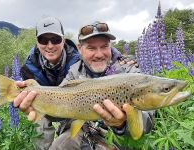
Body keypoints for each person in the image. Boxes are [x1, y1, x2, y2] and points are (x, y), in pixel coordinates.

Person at [14, 21, 153, 150]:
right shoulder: (74, 72)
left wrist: (122, 124)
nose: (99, 54)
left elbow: (148, 120)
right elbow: (61, 107)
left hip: (120, 139)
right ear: (80, 49)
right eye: (91, 48)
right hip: (83, 132)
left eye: (104, 46)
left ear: (110, 45)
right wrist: (38, 101)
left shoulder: (130, 71)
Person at [14, 16, 80, 149]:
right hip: (44, 108)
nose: (50, 45)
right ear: (37, 43)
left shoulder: (79, 61)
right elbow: (28, 103)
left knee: (72, 133)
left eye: (55, 39)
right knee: (39, 123)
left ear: (63, 41)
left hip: (72, 108)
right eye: (43, 40)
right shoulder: (29, 67)